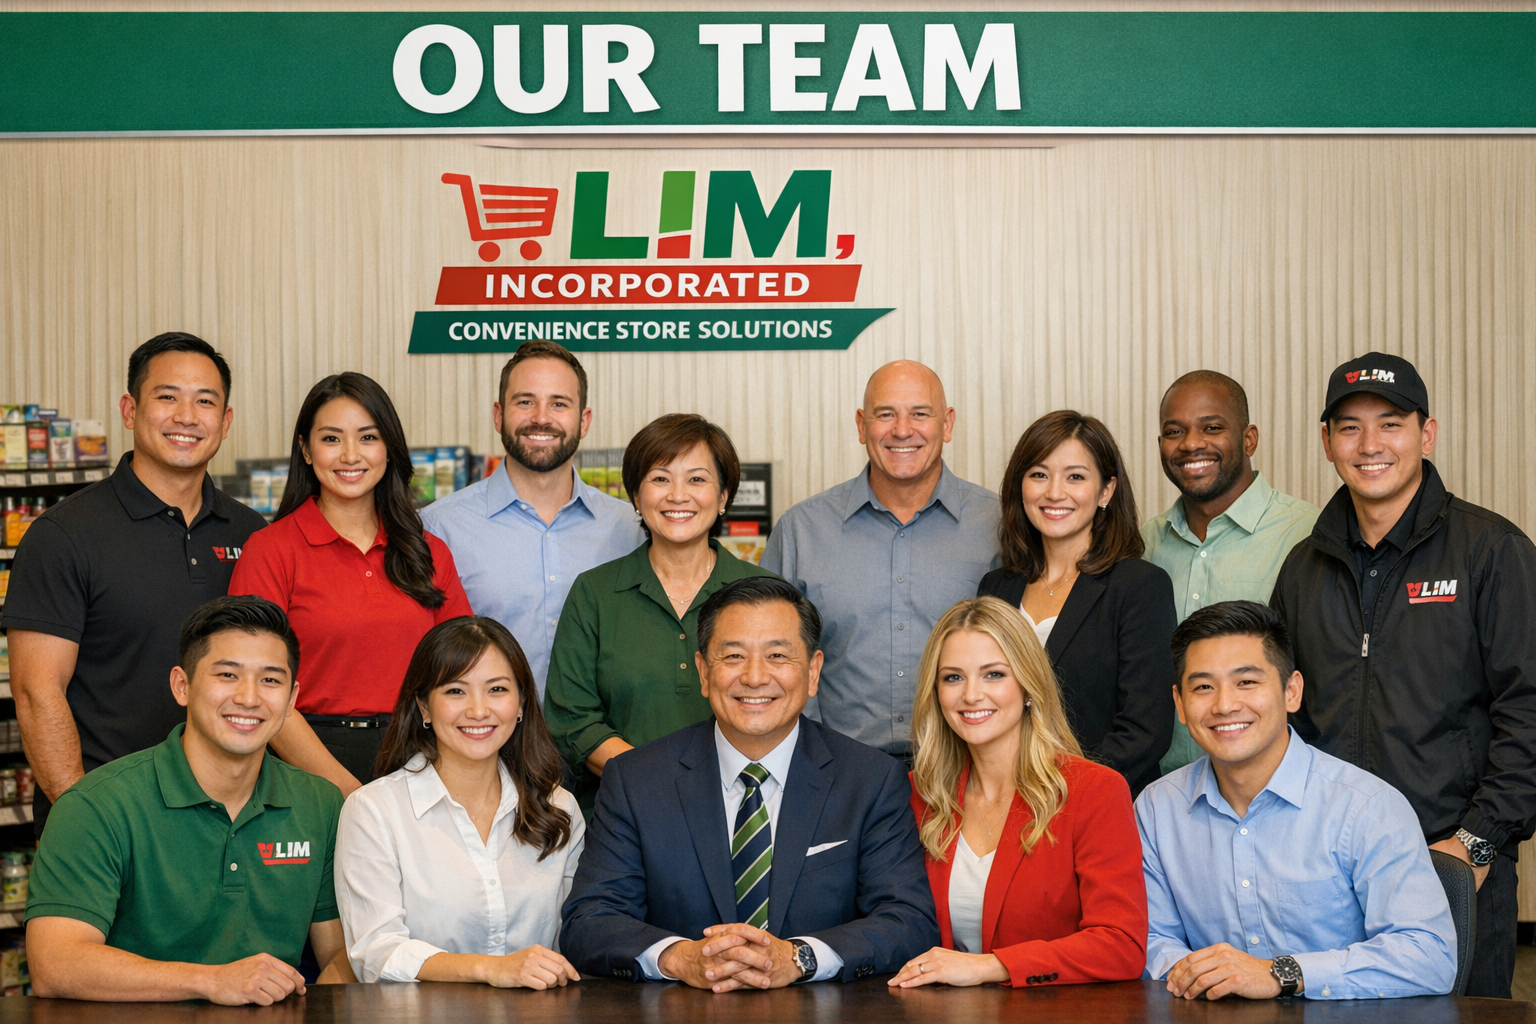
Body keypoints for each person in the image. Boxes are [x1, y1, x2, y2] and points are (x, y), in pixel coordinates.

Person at [1271, 352, 1536, 999]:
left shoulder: (1491, 550)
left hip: (1451, 859)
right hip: (1329, 867)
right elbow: (1284, 717)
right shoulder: (1305, 567)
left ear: (1427, 433)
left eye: (1390, 424)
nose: (1370, 445)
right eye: (1350, 427)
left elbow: (1529, 708)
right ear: (1327, 441)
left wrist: (1475, 844)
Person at [560, 576, 937, 988]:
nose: (755, 677)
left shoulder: (871, 779)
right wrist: (680, 957)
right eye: (734, 656)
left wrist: (798, 958)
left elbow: (907, 921)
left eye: (777, 655)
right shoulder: (637, 780)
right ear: (704, 671)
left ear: (813, 672)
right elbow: (589, 921)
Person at [2, 332, 268, 837]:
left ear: (226, 421)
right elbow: (38, 693)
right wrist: (86, 820)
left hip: (228, 821)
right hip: (109, 821)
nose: (186, 416)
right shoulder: (64, 535)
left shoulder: (252, 534)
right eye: (167, 397)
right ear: (130, 410)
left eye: (205, 401)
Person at [24, 596, 351, 1004]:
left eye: (270, 680)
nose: (249, 698)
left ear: (291, 698)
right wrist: (212, 981)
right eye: (228, 675)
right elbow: (54, 965)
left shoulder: (319, 805)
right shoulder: (95, 806)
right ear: (182, 686)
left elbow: (341, 954)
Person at [1137, 600, 1456, 1001]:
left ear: (1292, 691)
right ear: (1180, 705)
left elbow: (1429, 957)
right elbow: (1150, 939)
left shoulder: (1367, 807)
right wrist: (1208, 976)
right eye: (1203, 686)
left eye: (1247, 682)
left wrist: (1279, 974)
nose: (1223, 705)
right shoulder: (1155, 809)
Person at [230, 373, 473, 795]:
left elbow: (460, 673)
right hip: (305, 763)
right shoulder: (270, 550)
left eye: (367, 437)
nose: (349, 455)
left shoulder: (429, 551)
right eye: (330, 439)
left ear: (388, 448)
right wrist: (343, 789)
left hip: (419, 760)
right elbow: (256, 688)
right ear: (306, 449)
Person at [892, 597, 1146, 990]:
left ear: (1028, 684)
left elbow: (1121, 945)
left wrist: (991, 967)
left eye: (993, 674)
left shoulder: (1094, 791)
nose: (971, 695)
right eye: (953, 677)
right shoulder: (917, 795)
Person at [762, 361, 1000, 759]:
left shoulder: (1000, 525)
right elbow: (773, 655)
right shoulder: (801, 530)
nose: (902, 430)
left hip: (970, 769)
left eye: (920, 414)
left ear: (948, 423)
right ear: (861, 425)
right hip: (835, 772)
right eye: (885, 414)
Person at [543, 413, 776, 814]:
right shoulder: (595, 592)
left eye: (697, 479)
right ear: (636, 496)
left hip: (743, 811)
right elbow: (572, 720)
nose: (678, 495)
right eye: (660, 478)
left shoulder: (766, 594)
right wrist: (657, 782)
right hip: (622, 812)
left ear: (723, 498)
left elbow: (780, 704)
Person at [336, 616, 584, 987]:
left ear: (521, 703)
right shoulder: (373, 810)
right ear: (423, 706)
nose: (479, 710)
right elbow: (376, 952)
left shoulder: (559, 807)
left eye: (497, 689)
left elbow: (577, 938)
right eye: (456, 691)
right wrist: (490, 968)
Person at [422, 341, 644, 696]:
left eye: (559, 403)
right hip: (488, 744)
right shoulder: (440, 528)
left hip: (604, 746)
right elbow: (427, 658)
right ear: (498, 415)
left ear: (584, 421)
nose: (541, 417)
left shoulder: (631, 529)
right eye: (525, 401)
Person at [978, 411, 1176, 796]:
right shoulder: (996, 587)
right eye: (1038, 474)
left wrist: (1060, 790)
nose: (1054, 492)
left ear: (1106, 491)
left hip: (1096, 806)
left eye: (1075, 477)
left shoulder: (1139, 586)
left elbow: (1145, 729)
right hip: (1003, 803)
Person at [1142, 371, 1319, 774]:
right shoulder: (1142, 546)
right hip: (1163, 798)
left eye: (1212, 427)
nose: (1191, 443)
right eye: (1175, 431)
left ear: (1249, 438)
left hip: (1274, 795)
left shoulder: (1308, 535)